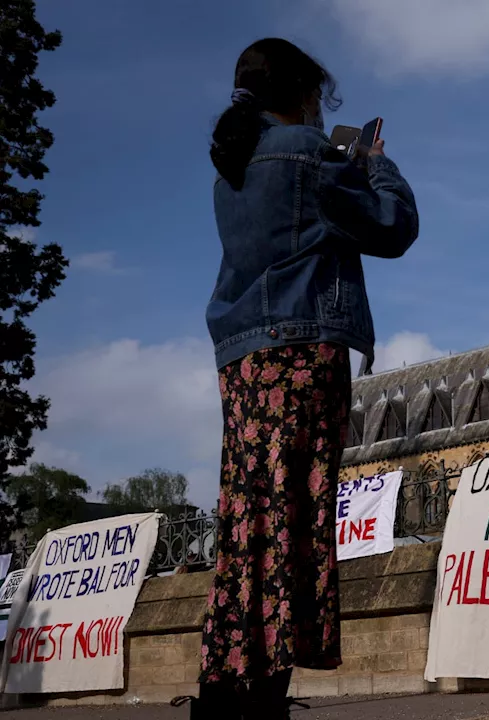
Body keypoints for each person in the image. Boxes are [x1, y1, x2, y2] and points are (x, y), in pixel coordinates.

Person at [176, 38, 418, 719]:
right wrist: (375, 162)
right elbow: (395, 226)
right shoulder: (314, 156)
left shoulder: (232, 171)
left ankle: (224, 690)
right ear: (302, 95)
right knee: (295, 523)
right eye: (317, 97)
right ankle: (260, 699)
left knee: (249, 525)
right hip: (301, 353)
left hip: (242, 362)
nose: (320, 109)